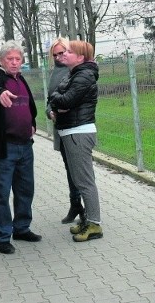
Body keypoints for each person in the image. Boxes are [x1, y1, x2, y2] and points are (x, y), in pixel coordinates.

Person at [0, 40, 41, 255]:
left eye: (18, 59)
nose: (14, 63)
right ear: (1, 60)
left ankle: (22, 228)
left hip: (25, 146)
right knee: (0, 193)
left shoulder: (21, 79)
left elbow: (29, 106)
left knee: (25, 190)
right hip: (3, 148)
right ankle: (2, 235)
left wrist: (32, 123)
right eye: (10, 59)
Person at [48, 40, 103, 242]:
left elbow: (65, 100)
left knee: (84, 181)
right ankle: (88, 220)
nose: (63, 55)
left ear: (80, 57)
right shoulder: (74, 73)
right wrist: (57, 101)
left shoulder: (84, 75)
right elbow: (58, 98)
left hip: (78, 132)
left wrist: (57, 100)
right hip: (70, 131)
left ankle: (94, 224)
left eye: (69, 52)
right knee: (80, 180)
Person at [46, 37, 85, 224]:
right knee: (69, 168)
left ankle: (88, 209)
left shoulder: (75, 71)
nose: (59, 57)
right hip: (60, 128)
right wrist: (49, 112)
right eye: (55, 54)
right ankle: (75, 204)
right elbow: (49, 99)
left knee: (80, 170)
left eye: (62, 53)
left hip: (75, 127)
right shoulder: (54, 73)